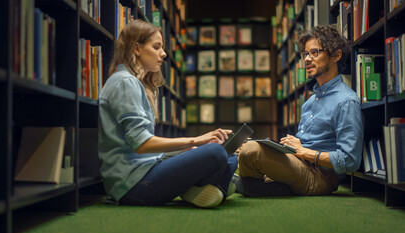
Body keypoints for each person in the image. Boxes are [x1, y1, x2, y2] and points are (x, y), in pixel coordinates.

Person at [98, 19, 237, 208]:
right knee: (215, 152)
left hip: (149, 169)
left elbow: (146, 149)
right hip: (133, 186)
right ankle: (213, 187)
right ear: (137, 48)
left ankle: (207, 190)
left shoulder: (135, 83)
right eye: (156, 47)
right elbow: (142, 145)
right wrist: (196, 141)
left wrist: (187, 151)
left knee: (229, 154)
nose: (163, 53)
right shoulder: (125, 82)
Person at [236, 25, 363, 197]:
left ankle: (250, 185)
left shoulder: (346, 101)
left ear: (336, 55)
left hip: (320, 176)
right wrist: (287, 146)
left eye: (314, 52)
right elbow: (304, 146)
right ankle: (260, 185)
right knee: (240, 149)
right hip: (299, 162)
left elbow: (350, 160)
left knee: (251, 151)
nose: (307, 59)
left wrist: (303, 152)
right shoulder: (310, 102)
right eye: (305, 54)